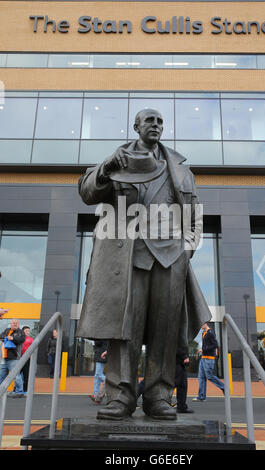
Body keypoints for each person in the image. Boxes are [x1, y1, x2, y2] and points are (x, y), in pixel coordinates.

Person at [76, 108, 211, 420]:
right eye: (149, 120)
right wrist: (106, 167)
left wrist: (186, 249)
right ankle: (120, 397)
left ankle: (158, 396)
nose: (156, 125)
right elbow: (86, 192)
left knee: (164, 330)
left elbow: (194, 213)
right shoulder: (118, 161)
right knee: (125, 329)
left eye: (160, 121)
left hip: (169, 257)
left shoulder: (180, 169)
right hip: (129, 256)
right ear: (136, 126)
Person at [193, 323, 224, 402]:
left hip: (209, 359)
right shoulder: (204, 333)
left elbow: (215, 345)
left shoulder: (211, 333)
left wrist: (204, 350)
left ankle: (224, 387)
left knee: (209, 376)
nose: (200, 326)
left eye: (201, 324)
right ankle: (201, 396)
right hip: (203, 358)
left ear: (205, 323)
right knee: (201, 377)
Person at [0, 318, 25, 397]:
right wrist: (8, 337)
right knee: (1, 375)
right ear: (10, 324)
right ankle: (1, 390)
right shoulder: (7, 330)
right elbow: (1, 336)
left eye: (16, 323)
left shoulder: (20, 332)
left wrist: (13, 338)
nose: (14, 324)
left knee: (16, 375)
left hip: (14, 358)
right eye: (13, 323)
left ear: (18, 324)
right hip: (4, 357)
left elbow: (21, 339)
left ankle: (19, 392)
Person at [174, 345, 193, 413]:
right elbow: (176, 344)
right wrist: (184, 356)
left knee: (182, 384)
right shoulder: (178, 335)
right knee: (174, 383)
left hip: (180, 362)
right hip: (176, 361)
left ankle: (181, 406)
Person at [20, 326, 34, 396]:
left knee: (26, 375)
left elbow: (33, 349)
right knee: (17, 376)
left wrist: (31, 356)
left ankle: (25, 390)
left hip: (27, 359)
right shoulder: (19, 339)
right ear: (23, 331)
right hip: (19, 359)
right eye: (26, 331)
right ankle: (16, 390)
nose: (27, 332)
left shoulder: (31, 339)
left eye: (28, 331)